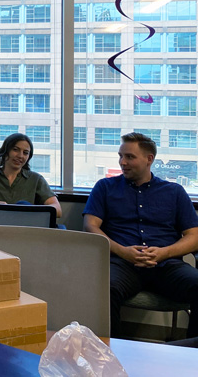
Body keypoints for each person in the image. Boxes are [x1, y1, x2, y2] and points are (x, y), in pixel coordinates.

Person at [83, 132, 198, 338]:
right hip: (122, 263)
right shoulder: (105, 187)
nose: (122, 162)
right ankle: (110, 359)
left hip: (166, 265)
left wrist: (164, 253)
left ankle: (191, 356)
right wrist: (123, 251)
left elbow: (194, 236)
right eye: (120, 156)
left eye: (129, 157)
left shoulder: (174, 192)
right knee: (103, 290)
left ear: (149, 159)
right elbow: (90, 226)